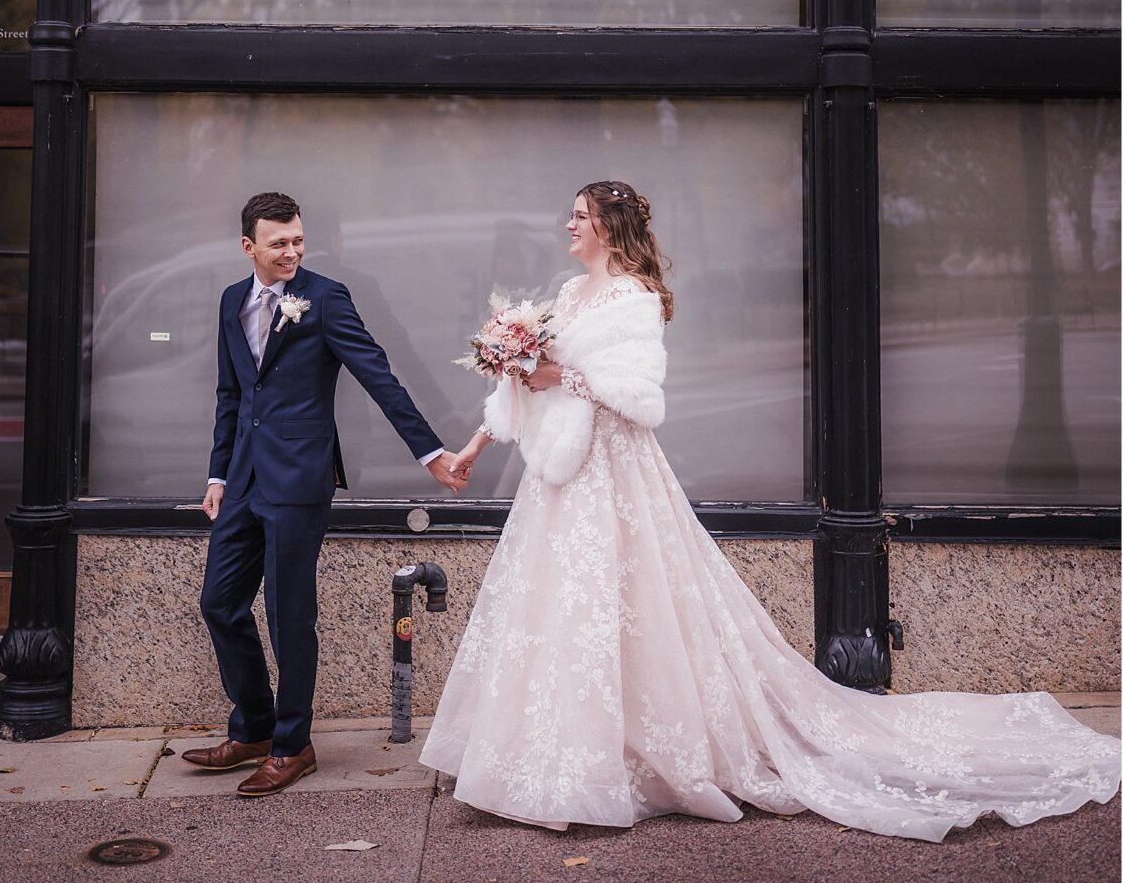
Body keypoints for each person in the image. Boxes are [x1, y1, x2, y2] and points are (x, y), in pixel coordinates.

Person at [424, 179, 1122, 840]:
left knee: (629, 607)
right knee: (559, 610)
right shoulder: (570, 292)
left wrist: (560, 373)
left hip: (617, 475)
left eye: (578, 215)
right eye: (570, 215)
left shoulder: (633, 299)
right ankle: (548, 760)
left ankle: (615, 763)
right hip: (559, 476)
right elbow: (529, 387)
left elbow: (640, 395)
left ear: (608, 228)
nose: (568, 225)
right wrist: (475, 445)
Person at [177, 191, 465, 796]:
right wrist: (217, 476)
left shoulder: (326, 297)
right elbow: (231, 396)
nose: (291, 252)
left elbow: (378, 372)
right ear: (248, 246)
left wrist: (431, 452)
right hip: (243, 480)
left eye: (298, 241)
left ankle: (291, 745)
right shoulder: (233, 300)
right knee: (219, 603)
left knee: (288, 615)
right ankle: (253, 727)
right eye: (278, 242)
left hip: (299, 479)